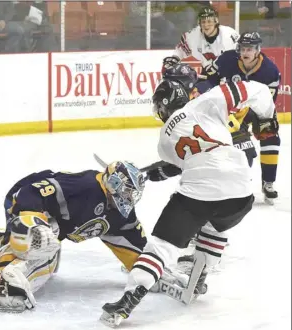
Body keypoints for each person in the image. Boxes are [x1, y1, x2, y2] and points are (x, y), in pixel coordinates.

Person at [100, 79, 277, 327]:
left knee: (161, 247)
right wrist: (268, 117)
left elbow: (175, 166)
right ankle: (201, 272)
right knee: (217, 226)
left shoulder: (163, 140)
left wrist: (145, 173)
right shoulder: (206, 102)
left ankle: (129, 299)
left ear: (164, 104)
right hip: (242, 189)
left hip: (198, 193)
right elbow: (257, 89)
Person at [0, 161, 147, 312]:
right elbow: (31, 191)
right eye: (127, 191)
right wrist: (35, 223)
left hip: (49, 219)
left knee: (49, 254)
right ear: (114, 183)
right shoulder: (85, 186)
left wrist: (149, 268)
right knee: (43, 241)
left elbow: (134, 243)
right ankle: (1, 283)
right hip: (25, 199)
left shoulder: (120, 213)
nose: (129, 198)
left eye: (132, 194)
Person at [205, 31, 281, 204]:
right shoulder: (226, 59)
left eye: (250, 49)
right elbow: (206, 78)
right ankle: (234, 183)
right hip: (228, 109)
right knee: (237, 142)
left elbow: (268, 104)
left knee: (271, 136)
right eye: (243, 48)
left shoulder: (270, 71)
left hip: (257, 111)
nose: (245, 53)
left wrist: (249, 119)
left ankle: (268, 182)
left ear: (258, 50)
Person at [162, 6, 239, 76]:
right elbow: (181, 50)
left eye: (209, 21)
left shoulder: (229, 35)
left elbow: (241, 53)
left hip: (230, 72)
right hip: (209, 73)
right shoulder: (193, 36)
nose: (206, 25)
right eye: (203, 22)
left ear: (216, 22)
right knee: (197, 90)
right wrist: (175, 58)